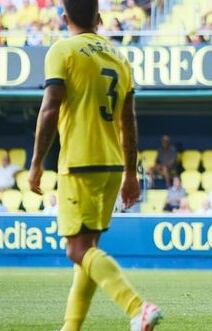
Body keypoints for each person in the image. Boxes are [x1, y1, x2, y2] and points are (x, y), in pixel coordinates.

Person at [27, 1, 162, 330]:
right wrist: (131, 173)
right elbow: (128, 122)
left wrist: (36, 164)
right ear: (99, 19)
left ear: (64, 18)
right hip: (113, 166)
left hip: (79, 162)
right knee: (88, 251)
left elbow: (49, 108)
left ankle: (138, 307)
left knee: (76, 250)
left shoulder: (63, 50)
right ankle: (70, 328)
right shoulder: (120, 57)